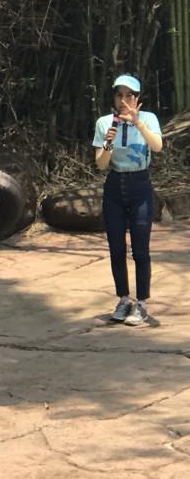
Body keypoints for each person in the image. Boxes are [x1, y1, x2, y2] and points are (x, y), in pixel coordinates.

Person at [93, 74, 162, 326]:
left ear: (137, 98)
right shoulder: (104, 123)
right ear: (114, 97)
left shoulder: (148, 119)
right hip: (114, 186)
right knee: (116, 248)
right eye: (119, 95)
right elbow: (101, 164)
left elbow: (157, 147)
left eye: (129, 95)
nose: (124, 100)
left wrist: (137, 122)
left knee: (140, 249)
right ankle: (124, 300)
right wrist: (108, 143)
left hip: (140, 185)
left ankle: (141, 303)